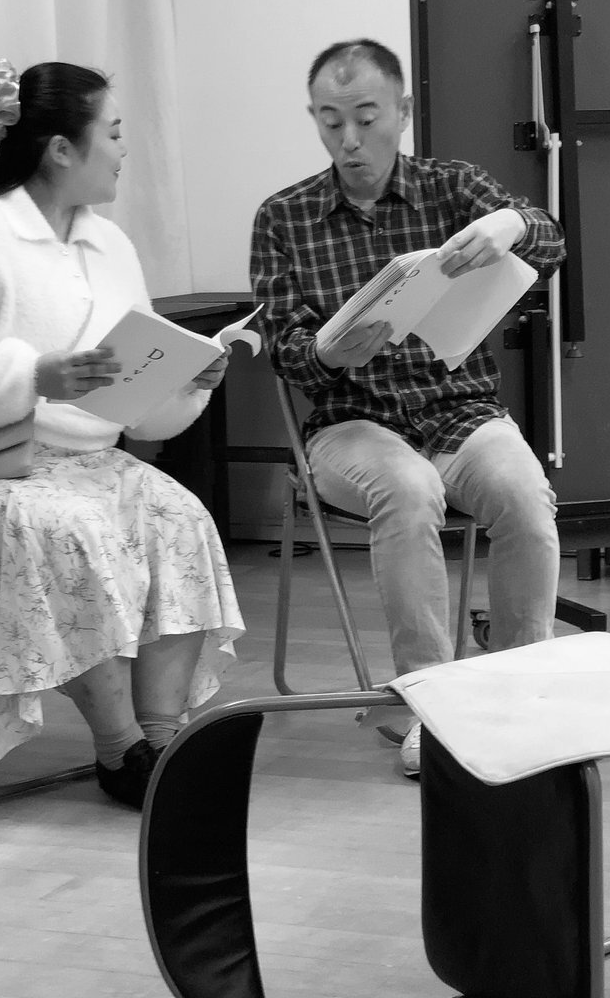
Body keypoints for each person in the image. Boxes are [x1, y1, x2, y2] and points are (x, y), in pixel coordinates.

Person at [0, 59, 244, 808]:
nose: (124, 149)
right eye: (114, 133)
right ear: (62, 149)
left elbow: (130, 408)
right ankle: (119, 749)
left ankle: (159, 742)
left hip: (68, 459)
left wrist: (184, 384)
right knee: (64, 529)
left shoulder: (111, 246)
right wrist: (33, 375)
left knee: (178, 516)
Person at [250, 39, 566, 774]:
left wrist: (512, 225)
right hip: (349, 424)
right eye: (330, 121)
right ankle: (433, 705)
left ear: (403, 111)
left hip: (459, 411)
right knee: (409, 488)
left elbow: (551, 244)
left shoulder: (452, 187)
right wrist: (328, 352)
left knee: (525, 496)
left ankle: (515, 694)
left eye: (366, 119)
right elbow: (281, 348)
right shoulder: (284, 216)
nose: (349, 141)